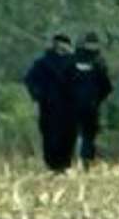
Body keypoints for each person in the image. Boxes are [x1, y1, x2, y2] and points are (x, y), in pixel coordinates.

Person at [24, 33, 78, 173]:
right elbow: (30, 80)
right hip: (49, 105)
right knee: (50, 135)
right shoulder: (43, 63)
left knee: (68, 135)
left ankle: (65, 164)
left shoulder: (74, 62)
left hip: (69, 106)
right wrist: (39, 95)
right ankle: (53, 165)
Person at [71, 32, 113, 168]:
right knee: (88, 134)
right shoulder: (99, 61)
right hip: (91, 104)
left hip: (73, 103)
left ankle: (72, 161)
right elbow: (106, 86)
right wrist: (98, 99)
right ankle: (85, 161)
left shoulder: (72, 60)